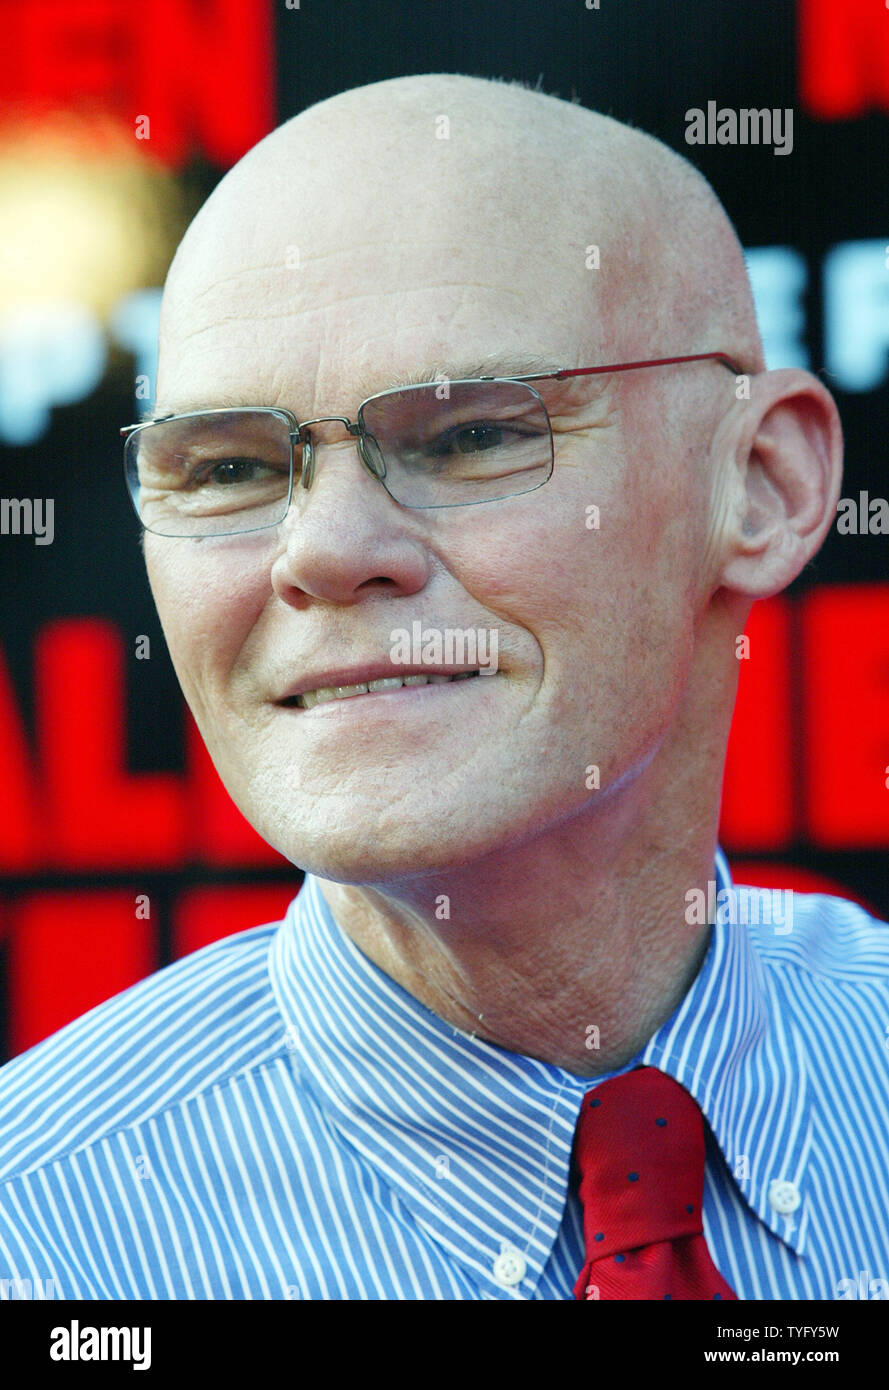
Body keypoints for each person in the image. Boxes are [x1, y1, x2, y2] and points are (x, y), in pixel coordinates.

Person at [0, 73, 886, 1303]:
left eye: (470, 435)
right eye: (226, 470)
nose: (318, 549)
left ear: (765, 488)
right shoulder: (34, 1237)